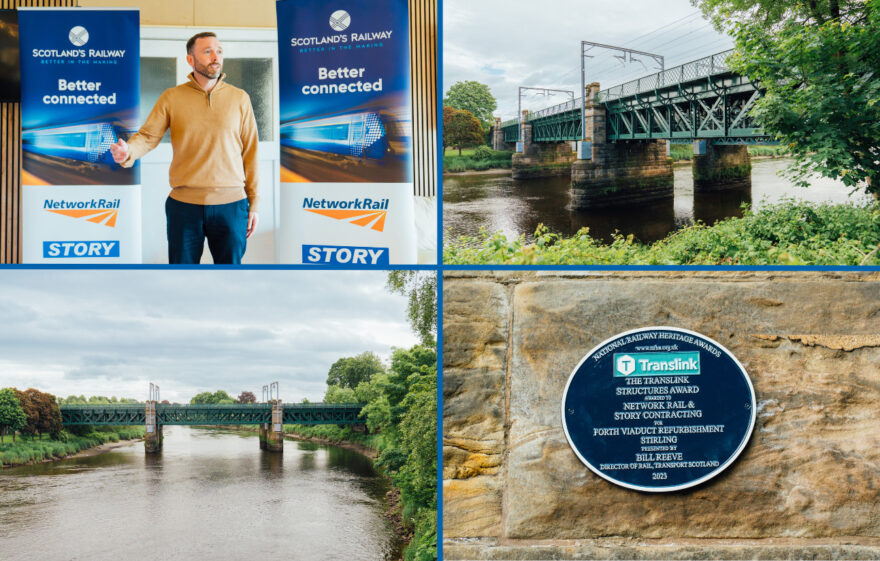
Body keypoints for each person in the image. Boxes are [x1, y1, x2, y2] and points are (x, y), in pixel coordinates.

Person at [109, 32, 259, 264]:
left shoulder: (240, 98)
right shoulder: (172, 97)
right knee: (182, 278)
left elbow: (251, 152)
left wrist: (254, 202)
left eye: (219, 51)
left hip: (232, 205)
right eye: (207, 51)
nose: (215, 57)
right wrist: (128, 152)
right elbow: (148, 136)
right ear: (191, 60)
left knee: (232, 279)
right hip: (184, 206)